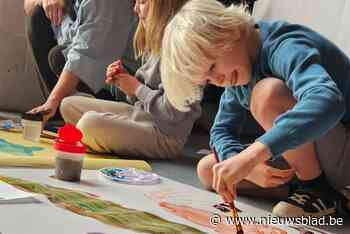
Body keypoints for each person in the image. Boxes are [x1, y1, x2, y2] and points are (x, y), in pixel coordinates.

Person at [160, 0, 350, 217]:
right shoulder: (238, 70)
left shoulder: (284, 45)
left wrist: (252, 156)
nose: (218, 80)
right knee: (210, 169)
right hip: (322, 156)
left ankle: (316, 190)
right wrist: (248, 167)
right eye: (208, 80)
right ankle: (324, 194)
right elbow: (221, 131)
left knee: (267, 94)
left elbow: (328, 100)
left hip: (343, 149)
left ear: (229, 31)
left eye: (212, 67)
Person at [59, 0, 201, 159]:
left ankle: (103, 135)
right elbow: (140, 100)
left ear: (164, 7)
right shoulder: (157, 43)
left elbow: (172, 114)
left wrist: (136, 88)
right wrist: (125, 81)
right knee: (68, 104)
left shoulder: (181, 50)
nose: (135, 9)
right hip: (142, 116)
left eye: (141, 2)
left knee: (88, 124)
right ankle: (106, 136)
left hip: (166, 136)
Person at [24, 0, 134, 121]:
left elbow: (83, 55)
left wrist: (52, 101)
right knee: (38, 16)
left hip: (119, 89)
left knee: (59, 57)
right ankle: (57, 113)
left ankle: (59, 111)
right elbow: (28, 5)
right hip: (91, 59)